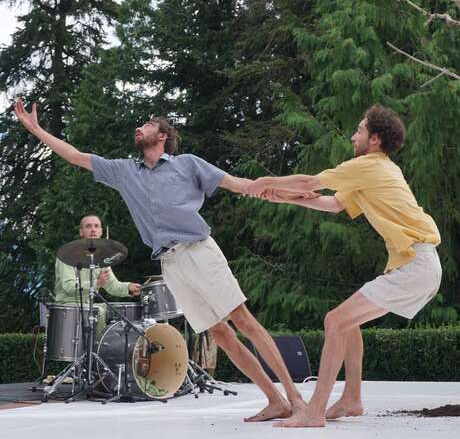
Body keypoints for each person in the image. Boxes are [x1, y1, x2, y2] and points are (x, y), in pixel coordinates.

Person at [15, 100, 306, 421]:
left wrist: (297, 192)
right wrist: (36, 129)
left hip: (198, 250)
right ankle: (275, 400)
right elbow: (75, 156)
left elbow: (243, 185)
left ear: (163, 136)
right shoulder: (125, 171)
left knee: (244, 320)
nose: (139, 128)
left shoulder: (188, 164)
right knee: (221, 334)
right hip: (170, 264)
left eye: (147, 125)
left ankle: (295, 398)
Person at [247, 104, 442, 428]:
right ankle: (352, 399)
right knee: (347, 323)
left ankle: (314, 411)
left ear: (375, 139)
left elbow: (311, 182)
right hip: (417, 265)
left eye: (360, 130)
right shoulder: (377, 170)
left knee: (335, 321)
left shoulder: (368, 165)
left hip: (416, 265)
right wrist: (278, 196)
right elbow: (334, 203)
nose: (354, 136)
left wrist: (267, 180)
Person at [55, 214, 141, 336]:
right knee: (98, 311)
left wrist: (129, 288)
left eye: (96, 226)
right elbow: (68, 287)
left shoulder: (103, 258)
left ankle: (116, 350)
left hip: (88, 306)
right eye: (88, 226)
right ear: (81, 232)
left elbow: (113, 286)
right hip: (67, 306)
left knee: (118, 311)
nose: (93, 229)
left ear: (101, 231)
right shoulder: (67, 255)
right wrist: (96, 283)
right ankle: (97, 349)